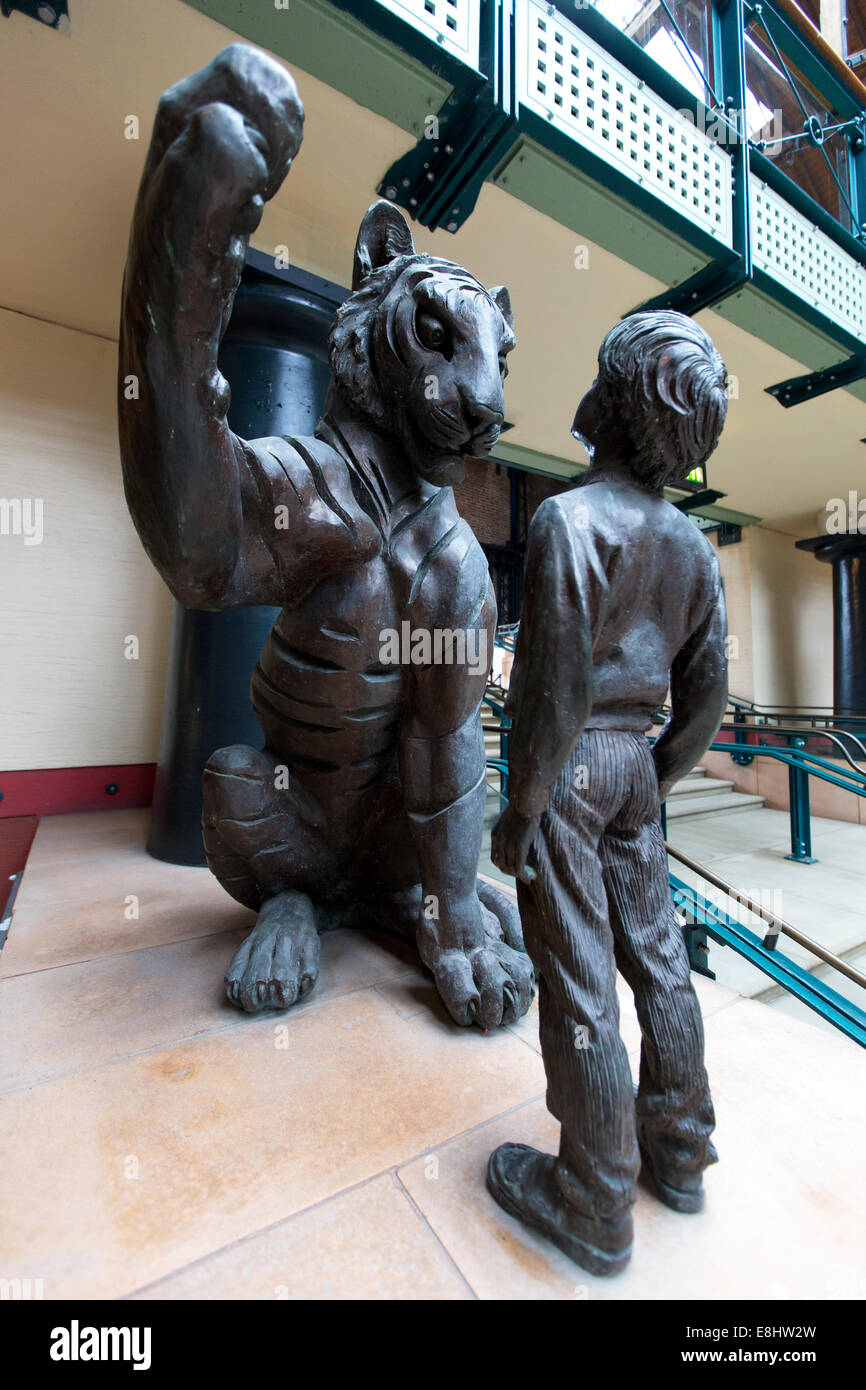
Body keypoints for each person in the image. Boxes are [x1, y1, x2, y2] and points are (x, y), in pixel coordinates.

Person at [489, 311, 730, 1276]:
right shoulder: (694, 549)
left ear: (617, 406)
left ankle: (592, 1194)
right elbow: (706, 698)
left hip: (572, 764)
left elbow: (549, 690)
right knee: (660, 959)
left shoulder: (568, 522)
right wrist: (654, 778)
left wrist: (523, 806)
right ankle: (680, 1150)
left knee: (580, 971)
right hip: (637, 764)